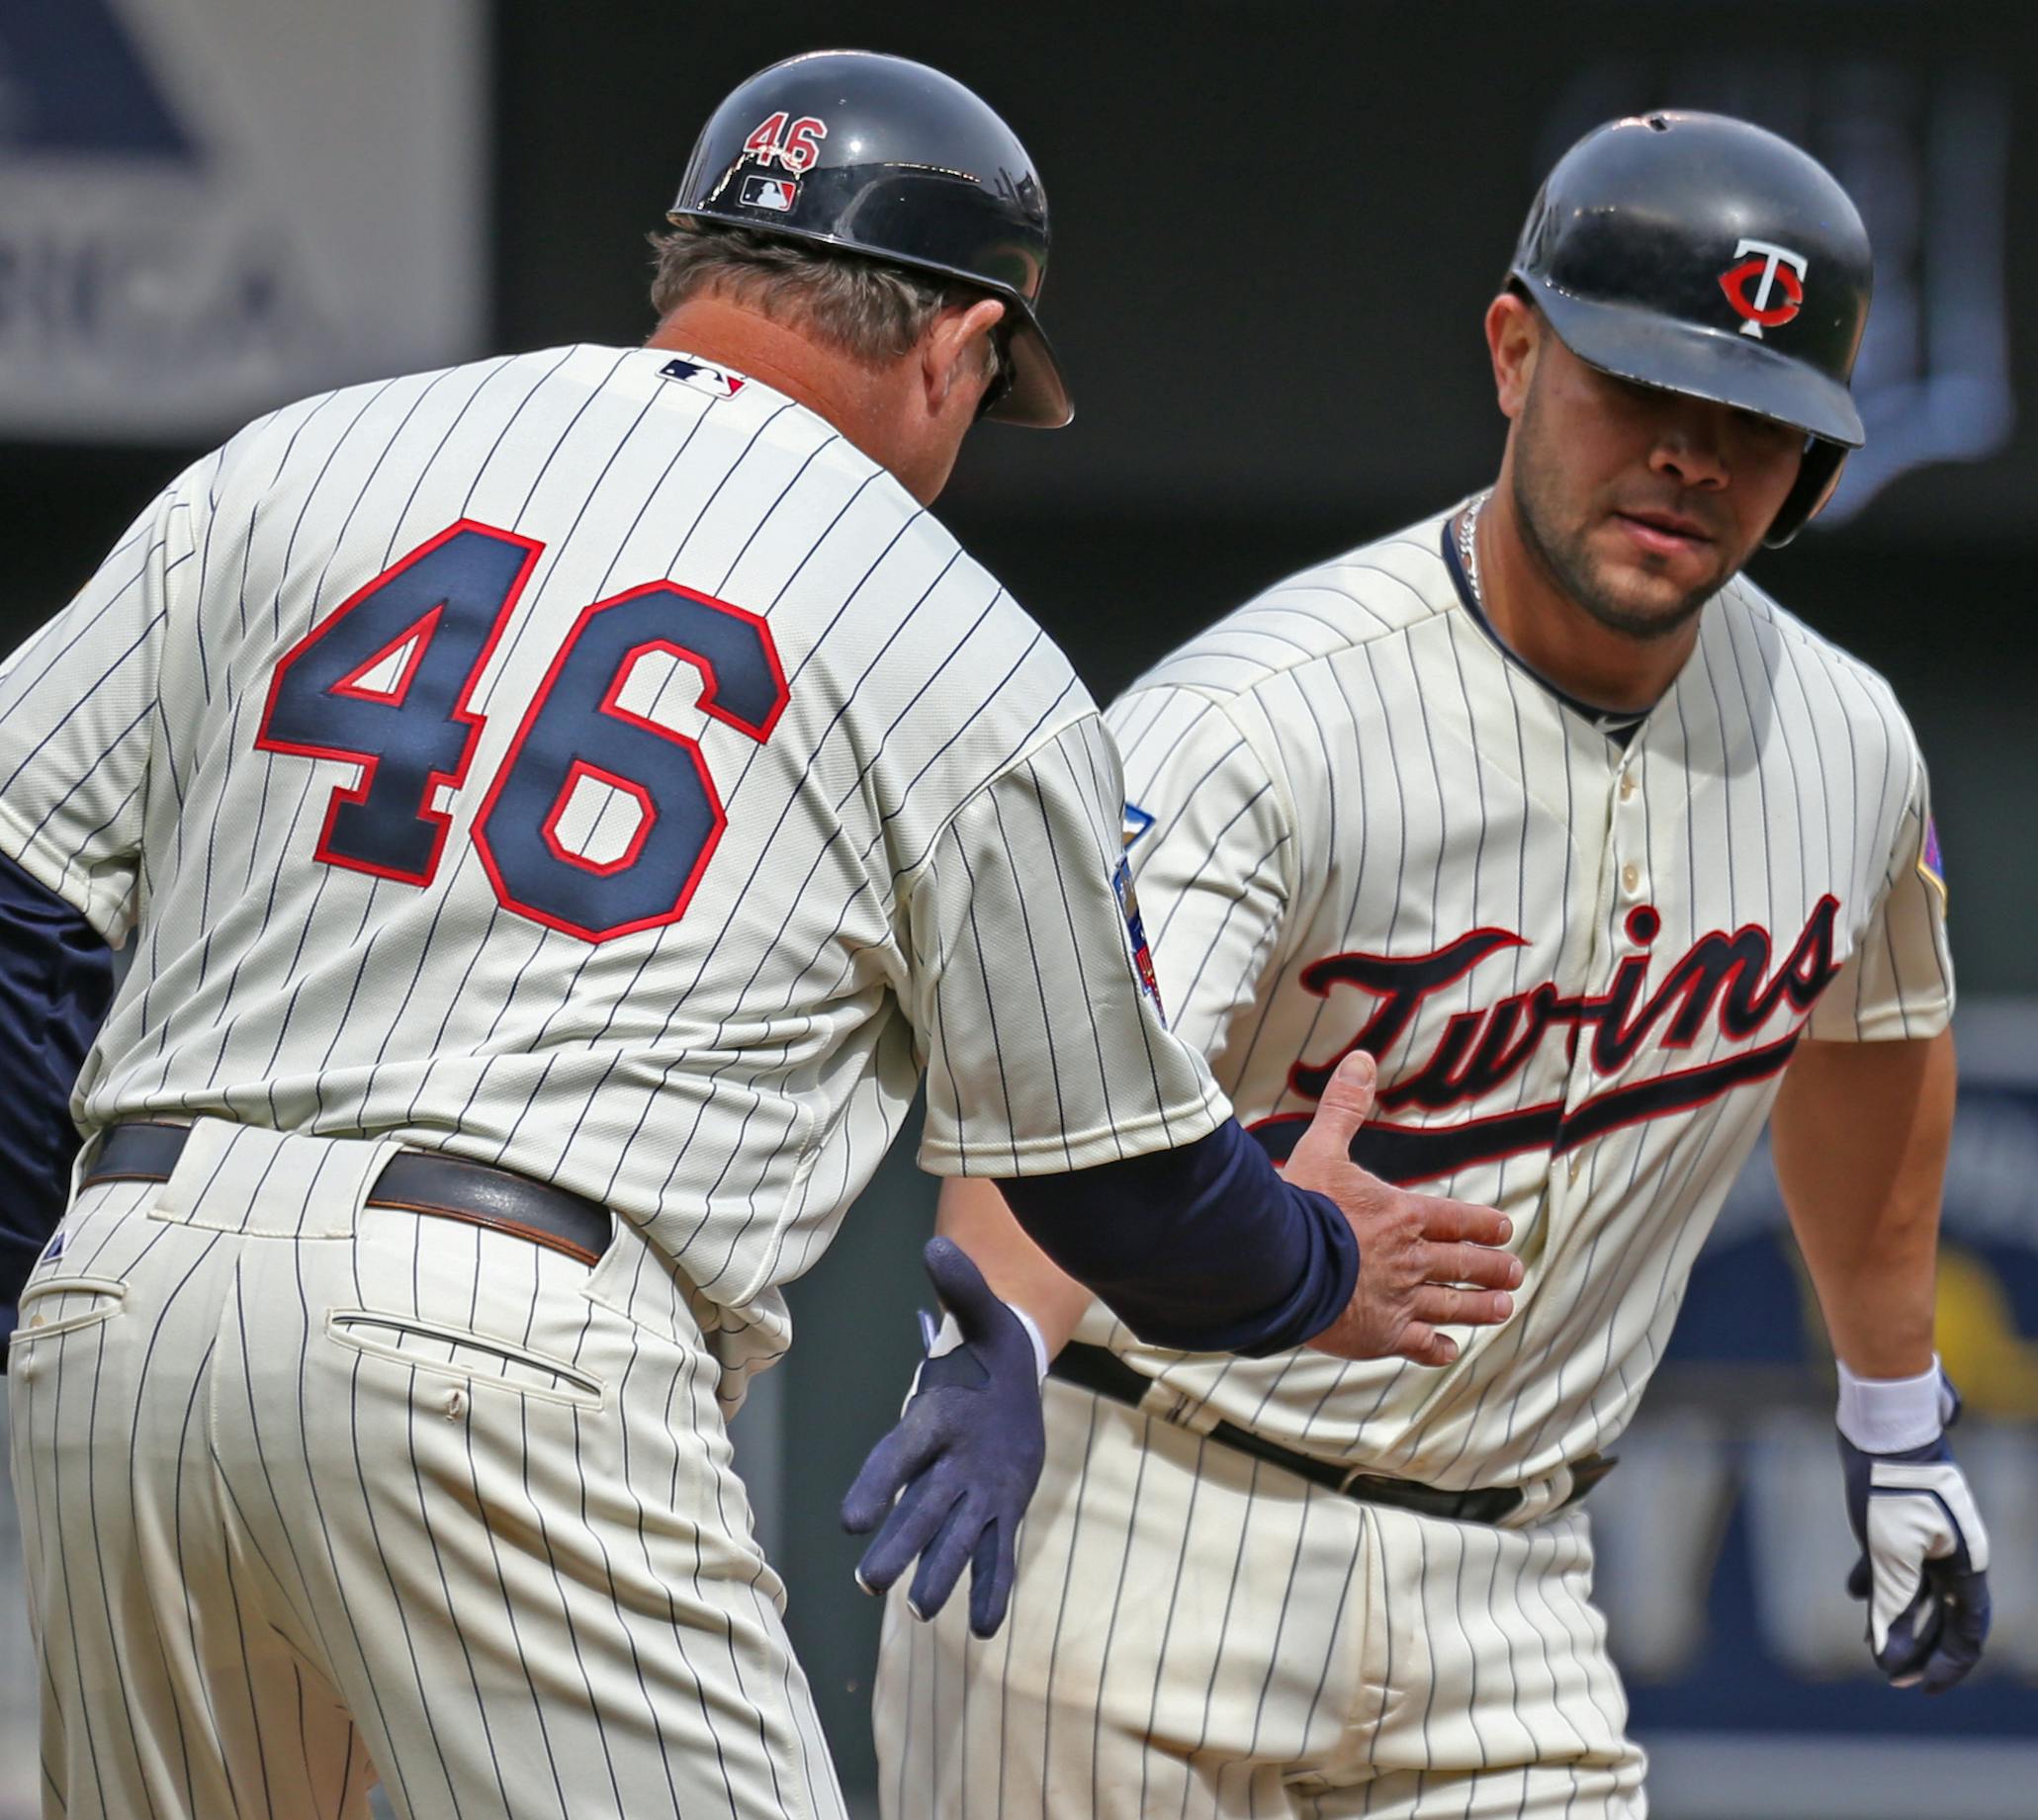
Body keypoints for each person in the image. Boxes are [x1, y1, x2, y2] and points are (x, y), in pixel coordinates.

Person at [0, 50, 1522, 1820]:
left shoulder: (304, 459)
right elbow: (1120, 1184)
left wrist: (71, 1275)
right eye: (984, 390)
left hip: (125, 1298)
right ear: (957, 348)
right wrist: (1313, 1263)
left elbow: (22, 905)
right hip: (508, 1334)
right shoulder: (948, 637)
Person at [872, 111, 1992, 1819]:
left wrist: (1896, 1410)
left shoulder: (1846, 742)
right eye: (1641, 392)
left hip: (1515, 1586)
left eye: (1752, 423)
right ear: (1516, 351)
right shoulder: (1271, 716)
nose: (1691, 457)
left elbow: (1869, 1037)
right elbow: (1060, 1076)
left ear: (1818, 464)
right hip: (1137, 1531)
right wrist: (1003, 1349)